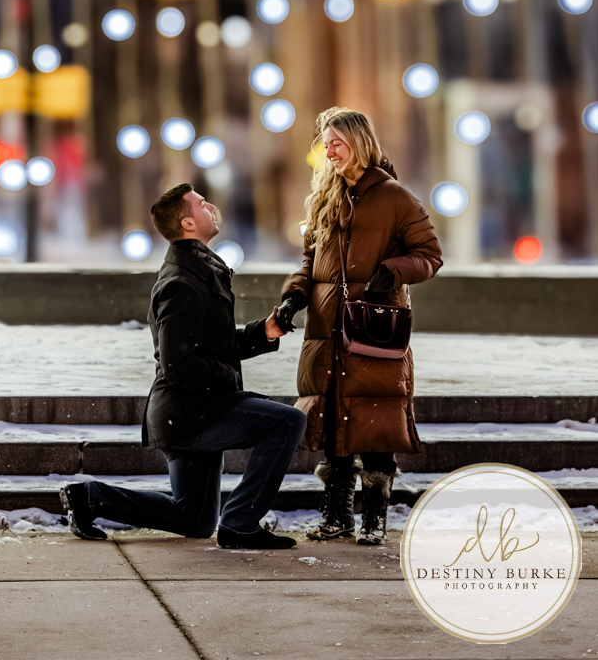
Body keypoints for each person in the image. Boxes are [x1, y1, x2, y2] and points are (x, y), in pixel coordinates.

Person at [61, 183, 305, 550]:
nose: (212, 207)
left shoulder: (198, 271)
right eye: (203, 204)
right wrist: (231, 388)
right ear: (189, 223)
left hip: (190, 412)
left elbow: (211, 347)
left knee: (195, 519)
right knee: (288, 421)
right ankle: (240, 523)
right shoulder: (180, 282)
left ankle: (91, 498)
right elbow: (180, 364)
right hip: (192, 414)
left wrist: (263, 333)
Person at [276, 108, 442, 545]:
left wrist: (392, 271)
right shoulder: (325, 198)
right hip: (326, 331)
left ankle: (373, 521)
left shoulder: (395, 198)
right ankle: (336, 518)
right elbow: (311, 264)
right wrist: (295, 293)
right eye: (325, 144)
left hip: (372, 329)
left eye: (337, 143)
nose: (328, 152)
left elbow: (430, 255)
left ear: (360, 143)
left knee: (374, 421)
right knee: (332, 422)